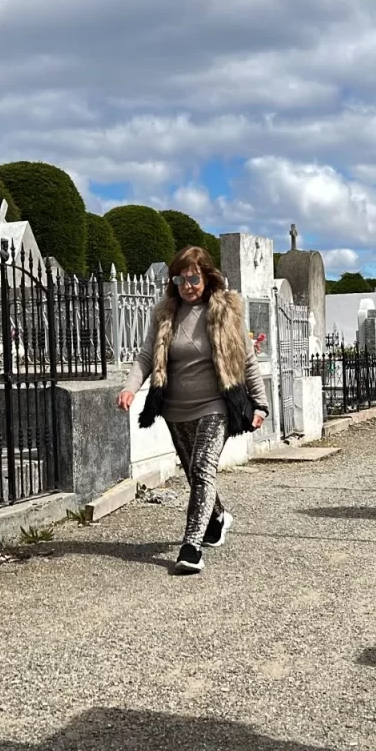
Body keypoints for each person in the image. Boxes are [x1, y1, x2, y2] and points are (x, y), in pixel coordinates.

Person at [117, 246, 270, 574]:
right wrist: (130, 388)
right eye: (180, 278)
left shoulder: (225, 311)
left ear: (206, 277)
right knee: (195, 474)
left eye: (193, 278)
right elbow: (147, 356)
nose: (187, 285)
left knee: (203, 467)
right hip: (175, 409)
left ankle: (191, 546)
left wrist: (261, 404)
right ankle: (217, 517)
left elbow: (247, 358)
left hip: (215, 405)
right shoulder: (165, 313)